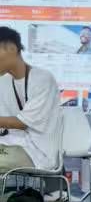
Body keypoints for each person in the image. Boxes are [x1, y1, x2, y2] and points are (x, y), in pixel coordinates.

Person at [0, 27, 63, 180]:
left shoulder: (43, 79)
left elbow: (22, 123)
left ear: (12, 48)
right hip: (9, 144)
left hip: (37, 152)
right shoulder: (3, 81)